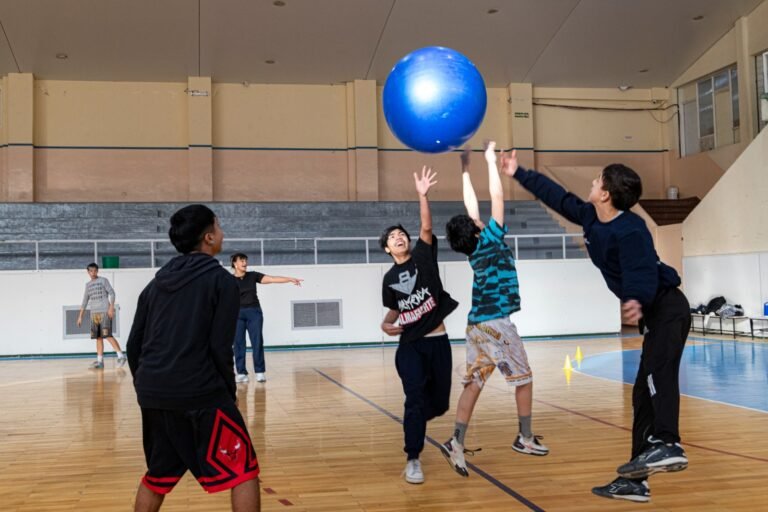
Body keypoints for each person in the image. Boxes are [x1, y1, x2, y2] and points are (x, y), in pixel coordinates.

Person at [504, 152, 689, 503]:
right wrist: (519, 173)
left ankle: (668, 442)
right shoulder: (591, 216)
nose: (591, 183)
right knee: (641, 395)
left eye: (596, 180)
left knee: (656, 376)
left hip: (667, 307)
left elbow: (642, 271)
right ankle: (637, 479)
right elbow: (558, 197)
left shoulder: (631, 229)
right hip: (654, 312)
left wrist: (634, 299)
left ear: (606, 193)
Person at [127, 204, 260, 512]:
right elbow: (219, 347)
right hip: (200, 392)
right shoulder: (222, 282)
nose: (223, 233)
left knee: (158, 476)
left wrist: (147, 386)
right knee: (243, 471)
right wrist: (229, 392)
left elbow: (134, 345)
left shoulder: (156, 283)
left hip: (153, 392)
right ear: (209, 237)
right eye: (219, 227)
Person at [440, 143, 549, 479]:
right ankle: (525, 438)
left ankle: (456, 441)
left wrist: (463, 169)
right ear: (476, 231)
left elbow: (471, 207)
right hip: (496, 326)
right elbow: (497, 199)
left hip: (475, 327)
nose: (479, 220)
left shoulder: (474, 249)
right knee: (524, 380)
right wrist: (489, 163)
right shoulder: (489, 240)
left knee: (473, 385)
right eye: (475, 222)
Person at [380, 165, 459, 485]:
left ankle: (416, 422)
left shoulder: (424, 259)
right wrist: (385, 325)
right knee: (414, 399)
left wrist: (422, 195)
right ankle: (413, 456)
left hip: (439, 344)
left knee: (439, 404)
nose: (398, 237)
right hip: (410, 346)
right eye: (392, 238)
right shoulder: (388, 279)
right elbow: (393, 312)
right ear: (387, 249)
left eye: (401, 234)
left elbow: (426, 228)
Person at [230, 253, 303, 383]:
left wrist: (290, 279)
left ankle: (259, 372)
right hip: (236, 313)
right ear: (235, 264)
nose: (245, 262)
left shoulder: (253, 276)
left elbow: (272, 279)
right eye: (242, 260)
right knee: (238, 343)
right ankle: (241, 372)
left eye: (245, 260)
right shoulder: (228, 279)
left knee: (257, 341)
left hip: (254, 312)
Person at [77, 263, 126, 369]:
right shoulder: (88, 285)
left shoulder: (103, 280)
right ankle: (100, 361)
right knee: (98, 337)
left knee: (107, 335)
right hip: (94, 313)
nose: (93, 273)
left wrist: (111, 307)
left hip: (104, 311)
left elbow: (112, 293)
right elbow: (85, 301)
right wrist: (80, 316)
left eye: (94, 271)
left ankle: (121, 356)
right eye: (91, 271)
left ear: (97, 271)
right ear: (88, 272)